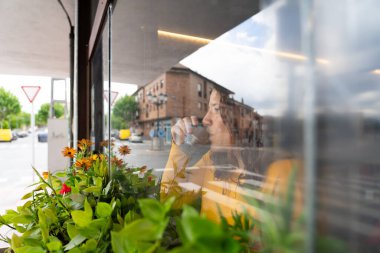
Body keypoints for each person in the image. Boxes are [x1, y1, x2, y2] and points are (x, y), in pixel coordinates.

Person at [161, 88, 250, 223]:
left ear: (243, 119)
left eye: (217, 109)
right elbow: (171, 202)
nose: (206, 119)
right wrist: (181, 146)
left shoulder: (278, 172)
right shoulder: (211, 160)